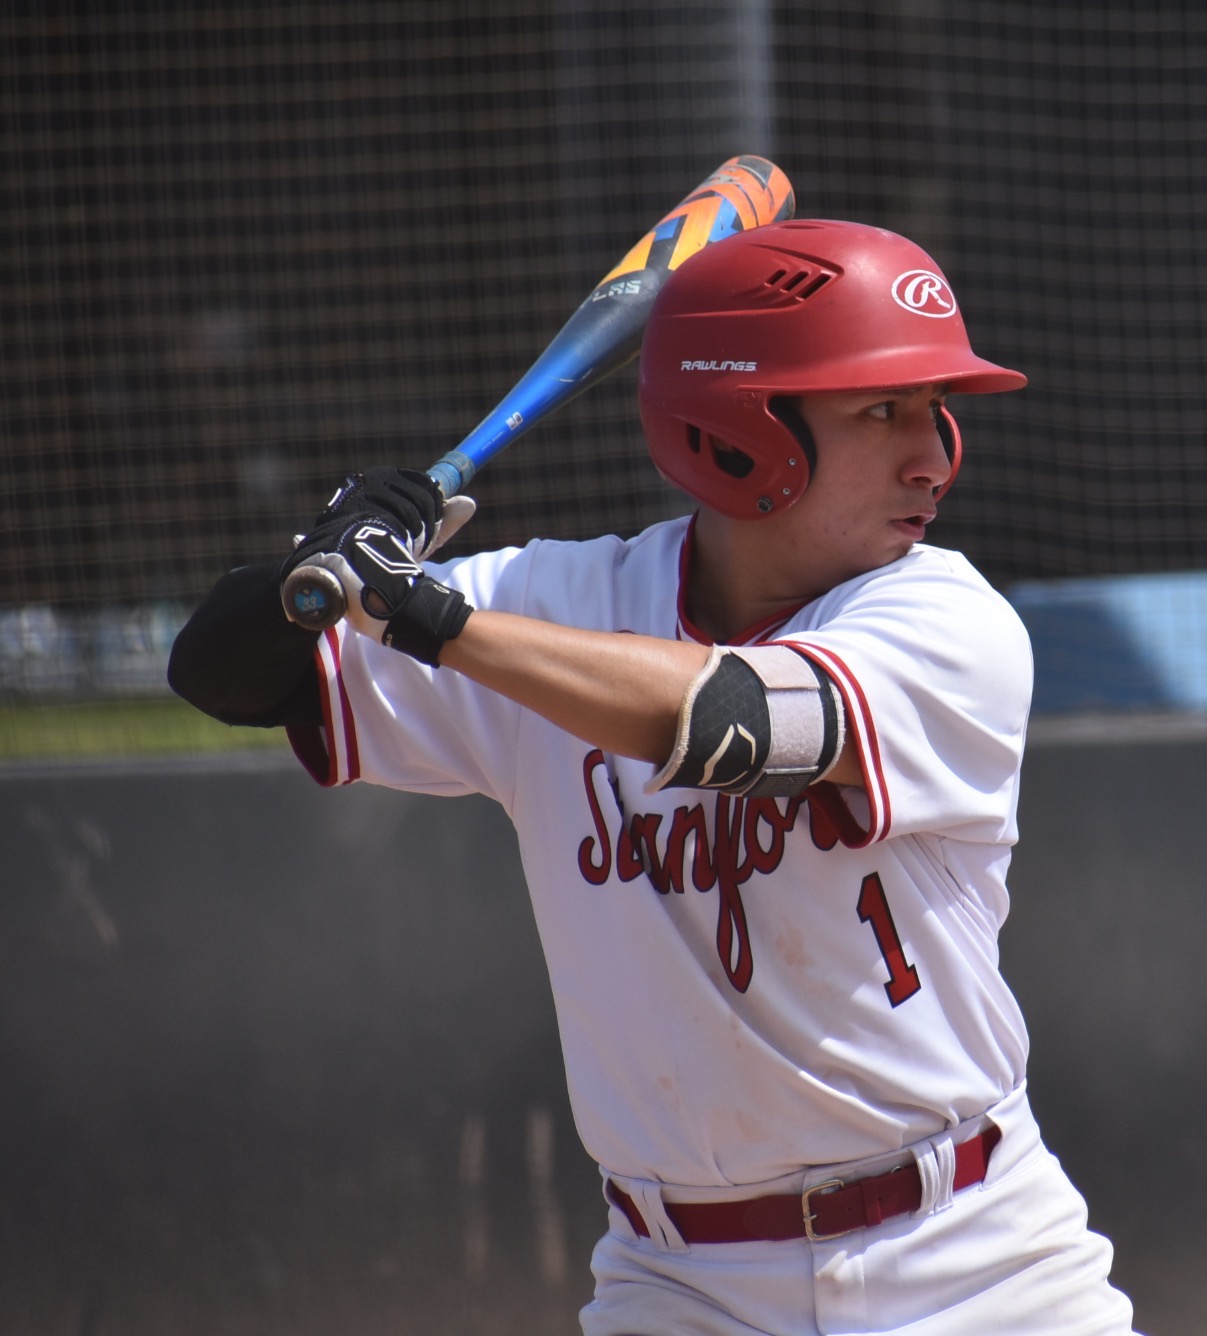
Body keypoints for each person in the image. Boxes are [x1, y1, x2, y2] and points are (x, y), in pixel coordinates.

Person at [170, 218, 1137, 1336]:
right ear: (737, 434)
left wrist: (429, 613)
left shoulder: (949, 619)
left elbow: (730, 721)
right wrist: (327, 559)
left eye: (936, 410)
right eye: (883, 410)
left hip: (972, 1261)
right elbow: (223, 674)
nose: (933, 456)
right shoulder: (555, 603)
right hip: (678, 1285)